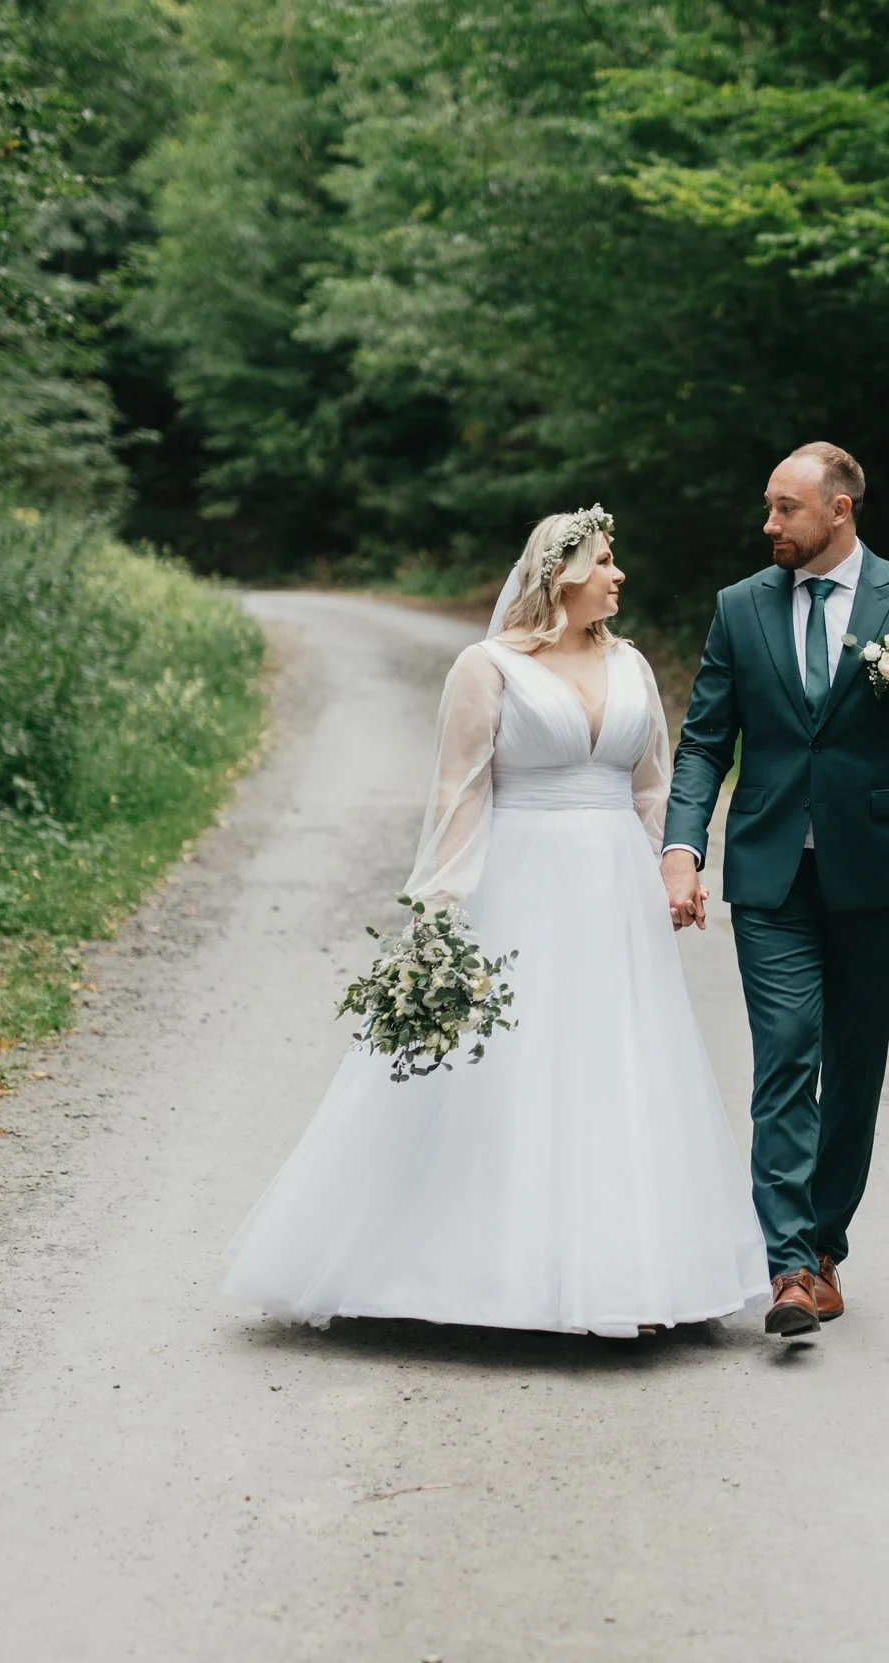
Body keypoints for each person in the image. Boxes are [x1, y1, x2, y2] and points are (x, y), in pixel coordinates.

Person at [223, 508, 769, 1337]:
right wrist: (438, 914)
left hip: (616, 893)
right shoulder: (486, 668)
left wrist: (673, 866)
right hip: (519, 881)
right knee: (506, 1066)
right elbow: (458, 793)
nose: (619, 575)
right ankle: (446, 1268)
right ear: (562, 573)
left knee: (616, 1065)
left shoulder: (632, 665)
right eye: (606, 560)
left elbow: (652, 783)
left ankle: (629, 1270)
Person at [662, 443, 889, 1336]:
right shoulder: (739, 608)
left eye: (785, 509)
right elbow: (703, 743)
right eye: (767, 507)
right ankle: (790, 1264)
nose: (769, 525)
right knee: (789, 1047)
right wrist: (684, 844)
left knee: (856, 1058)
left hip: (875, 877)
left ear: (839, 511)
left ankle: (827, 1240)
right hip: (771, 875)